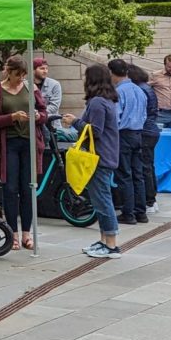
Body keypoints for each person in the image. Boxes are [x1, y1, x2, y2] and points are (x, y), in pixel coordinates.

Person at [0, 56, 47, 251]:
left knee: (28, 188)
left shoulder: (31, 89)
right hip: (8, 144)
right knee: (10, 189)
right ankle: (13, 233)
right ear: (7, 71)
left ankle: (27, 233)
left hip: (29, 143)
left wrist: (38, 116)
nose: (20, 79)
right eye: (16, 75)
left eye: (23, 75)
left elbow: (44, 112)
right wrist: (12, 117)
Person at [62, 65, 121, 257]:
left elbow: (95, 131)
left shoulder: (97, 102)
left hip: (99, 158)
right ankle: (104, 241)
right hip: (105, 156)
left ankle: (111, 244)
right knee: (100, 199)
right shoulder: (107, 100)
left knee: (102, 200)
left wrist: (74, 122)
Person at [108, 59, 148, 225]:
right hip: (138, 133)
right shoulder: (139, 90)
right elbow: (144, 114)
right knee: (137, 174)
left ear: (112, 73)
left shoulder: (119, 92)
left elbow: (115, 117)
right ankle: (141, 212)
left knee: (124, 175)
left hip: (124, 134)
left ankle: (128, 213)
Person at [128, 64, 160, 214]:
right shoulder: (146, 87)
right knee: (149, 165)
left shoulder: (139, 89)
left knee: (144, 166)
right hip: (151, 130)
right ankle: (151, 197)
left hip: (145, 131)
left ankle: (149, 200)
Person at [149, 54, 171, 129]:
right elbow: (144, 88)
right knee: (159, 137)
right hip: (160, 114)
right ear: (165, 65)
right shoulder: (155, 75)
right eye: (169, 67)